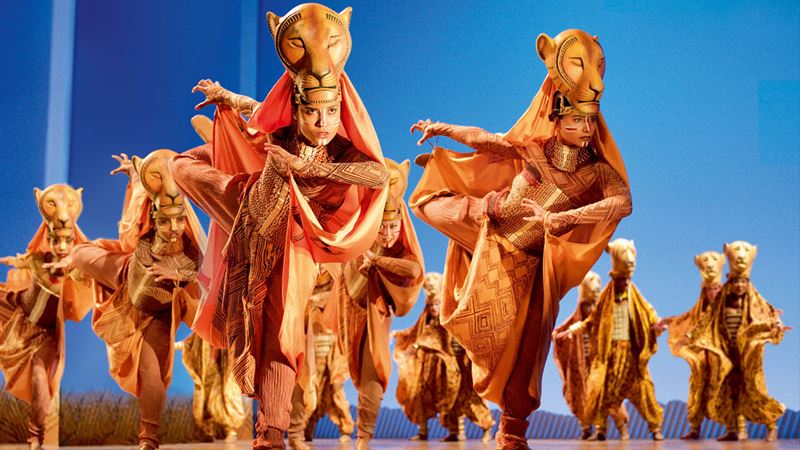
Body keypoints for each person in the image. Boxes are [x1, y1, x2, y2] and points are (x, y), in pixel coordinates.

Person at [169, 5, 389, 448]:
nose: (323, 124)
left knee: (282, 333)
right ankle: (213, 150)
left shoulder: (341, 148)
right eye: (313, 114)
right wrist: (225, 97)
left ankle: (270, 433)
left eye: (331, 113)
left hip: (298, 239)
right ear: (297, 107)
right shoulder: (284, 128)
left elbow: (378, 174)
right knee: (182, 165)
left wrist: (313, 173)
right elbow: (259, 109)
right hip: (251, 212)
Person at [409, 29, 631, 449]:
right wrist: (440, 128)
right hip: (489, 229)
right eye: (574, 119)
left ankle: (512, 431)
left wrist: (561, 216)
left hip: (529, 264)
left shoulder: (597, 173)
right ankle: (469, 207)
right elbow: (486, 139)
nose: (583, 127)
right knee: (428, 202)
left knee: (527, 349)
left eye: (588, 120)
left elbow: (622, 204)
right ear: (557, 118)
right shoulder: (534, 149)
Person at [68, 151, 206, 450]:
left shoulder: (189, 247)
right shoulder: (145, 228)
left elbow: (198, 268)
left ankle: (149, 439)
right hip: (126, 273)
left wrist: (175, 271)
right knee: (80, 253)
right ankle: (69, 267)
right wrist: (135, 178)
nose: (173, 228)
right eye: (166, 220)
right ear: (154, 216)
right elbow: (129, 227)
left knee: (152, 371)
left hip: (157, 308)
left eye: (178, 220)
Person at [336, 158, 423, 449]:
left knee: (373, 368)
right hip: (346, 307)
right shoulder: (359, 232)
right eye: (382, 228)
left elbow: (413, 270)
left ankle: (363, 437)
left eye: (394, 227)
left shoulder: (398, 247)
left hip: (375, 313)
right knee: (352, 371)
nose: (388, 234)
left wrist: (379, 261)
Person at [0, 184, 94, 450]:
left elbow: (90, 270)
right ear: (49, 237)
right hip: (19, 314)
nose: (62, 246)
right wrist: (15, 262)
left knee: (41, 384)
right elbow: (25, 260)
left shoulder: (76, 268)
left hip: (46, 337)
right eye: (57, 240)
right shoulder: (38, 258)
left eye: (68, 240)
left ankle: (35, 437)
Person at [558, 239, 665, 441]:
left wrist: (657, 323)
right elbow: (591, 320)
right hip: (609, 355)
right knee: (601, 392)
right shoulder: (606, 297)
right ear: (615, 278)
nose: (625, 283)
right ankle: (601, 429)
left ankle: (655, 428)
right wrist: (573, 329)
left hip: (630, 356)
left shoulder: (635, 296)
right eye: (622, 280)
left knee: (644, 391)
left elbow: (649, 312)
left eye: (627, 280)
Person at [687, 241, 789, 442]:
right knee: (728, 391)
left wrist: (775, 324)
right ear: (730, 282)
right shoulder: (722, 299)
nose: (740, 286)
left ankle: (772, 426)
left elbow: (769, 315)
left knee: (755, 390)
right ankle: (735, 429)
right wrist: (694, 336)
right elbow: (707, 318)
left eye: (743, 282)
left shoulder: (755, 299)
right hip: (727, 352)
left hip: (748, 354)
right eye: (736, 282)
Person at [660, 251, 746, 439]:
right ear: (704, 291)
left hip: (723, 358)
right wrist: (667, 321)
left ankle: (732, 429)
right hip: (702, 359)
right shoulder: (700, 310)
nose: (713, 292)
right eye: (709, 289)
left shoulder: (728, 307)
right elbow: (686, 320)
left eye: (716, 288)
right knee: (697, 390)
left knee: (726, 390)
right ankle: (695, 428)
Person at [552, 271, 628, 440]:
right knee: (583, 395)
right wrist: (560, 333)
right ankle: (587, 428)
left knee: (609, 394)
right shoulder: (581, 309)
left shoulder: (603, 307)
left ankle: (621, 427)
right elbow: (572, 323)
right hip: (584, 362)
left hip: (601, 359)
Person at [286, 267, 354, 450]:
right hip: (309, 344)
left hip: (332, 345)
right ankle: (300, 430)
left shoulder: (338, 285)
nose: (322, 267)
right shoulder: (303, 282)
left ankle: (345, 429)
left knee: (334, 389)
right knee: (308, 386)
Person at [393, 272, 460, 441]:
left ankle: (455, 431)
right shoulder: (427, 319)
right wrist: (398, 333)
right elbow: (416, 331)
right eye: (431, 306)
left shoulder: (448, 318)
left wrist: (420, 344)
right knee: (420, 393)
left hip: (444, 364)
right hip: (426, 365)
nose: (434, 309)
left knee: (450, 395)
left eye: (437, 305)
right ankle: (423, 430)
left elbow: (436, 339)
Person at [176, 332, 245, 443]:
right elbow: (189, 343)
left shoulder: (227, 327)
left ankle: (231, 430)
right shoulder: (202, 328)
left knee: (224, 398)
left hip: (223, 372)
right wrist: (174, 345)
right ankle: (208, 431)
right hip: (207, 370)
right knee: (204, 401)